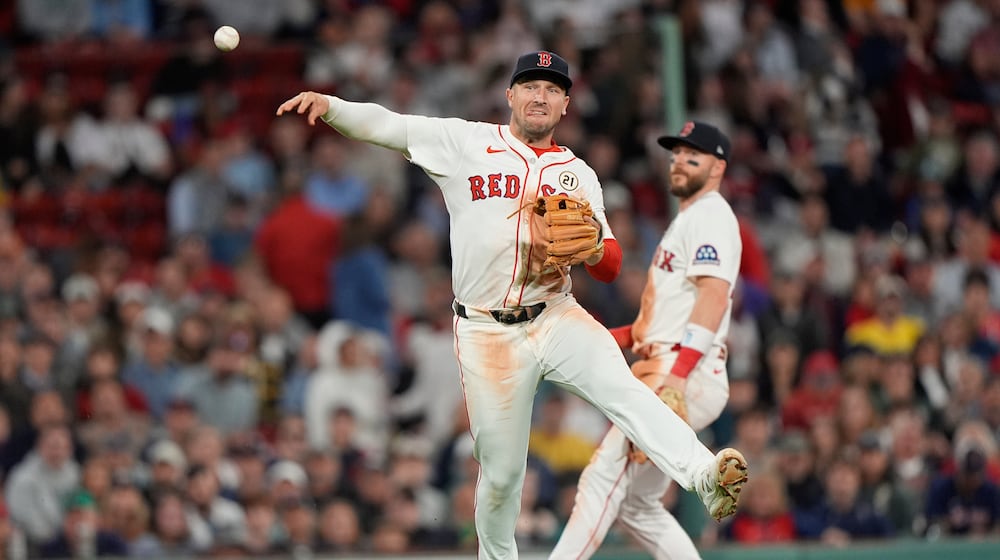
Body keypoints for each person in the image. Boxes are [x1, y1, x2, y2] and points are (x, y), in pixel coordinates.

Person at [276, 51, 748, 559]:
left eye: (552, 89)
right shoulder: (466, 143)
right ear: (510, 95)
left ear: (565, 105)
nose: (540, 96)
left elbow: (610, 265)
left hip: (555, 313)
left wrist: (591, 247)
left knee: (625, 390)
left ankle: (704, 475)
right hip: (486, 332)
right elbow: (391, 126)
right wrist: (332, 107)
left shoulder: (579, 173)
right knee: (501, 477)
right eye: (530, 86)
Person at [550, 121, 743, 560]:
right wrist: (588, 337)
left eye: (692, 156)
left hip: (679, 372)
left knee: (601, 480)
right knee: (636, 505)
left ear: (718, 167)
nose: (679, 162)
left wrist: (677, 377)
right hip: (670, 363)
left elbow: (713, 296)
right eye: (675, 155)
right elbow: (648, 330)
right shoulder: (689, 220)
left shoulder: (711, 215)